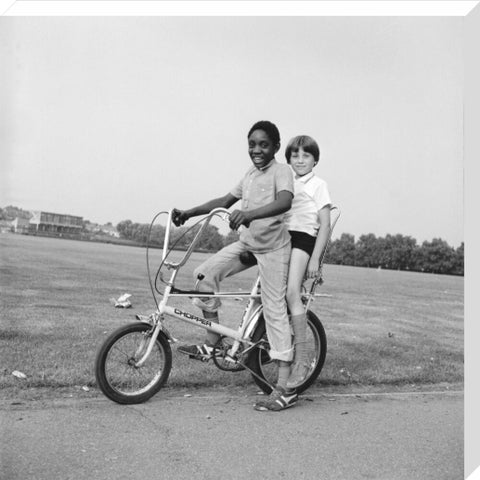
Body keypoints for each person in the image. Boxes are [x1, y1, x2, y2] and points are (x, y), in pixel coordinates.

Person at [172, 120, 298, 411]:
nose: (257, 149)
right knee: (204, 273)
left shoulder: (282, 171)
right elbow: (225, 200)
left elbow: (284, 202)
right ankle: (213, 342)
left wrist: (249, 213)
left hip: (275, 250)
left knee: (274, 307)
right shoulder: (251, 175)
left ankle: (285, 387)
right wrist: (189, 213)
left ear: (276, 147)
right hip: (248, 244)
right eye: (252, 144)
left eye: (264, 144)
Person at [283, 135, 332, 389]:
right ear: (289, 159)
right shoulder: (287, 181)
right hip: (282, 239)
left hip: (303, 240)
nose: (300, 160)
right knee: (270, 294)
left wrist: (315, 259)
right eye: (295, 155)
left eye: (306, 155)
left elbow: (324, 224)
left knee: (292, 293)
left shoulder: (318, 184)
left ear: (315, 160)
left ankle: (301, 361)